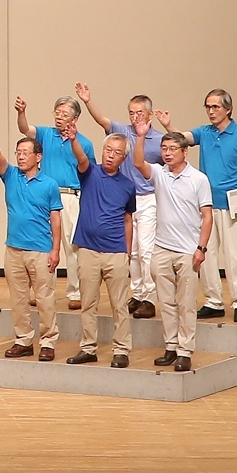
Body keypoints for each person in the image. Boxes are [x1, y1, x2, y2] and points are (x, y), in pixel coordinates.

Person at [158, 89, 237, 324]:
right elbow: (183, 139)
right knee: (206, 254)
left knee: (235, 255)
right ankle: (213, 301)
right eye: (208, 107)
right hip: (207, 204)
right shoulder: (205, 132)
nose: (211, 111)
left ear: (228, 109)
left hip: (232, 202)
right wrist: (169, 125)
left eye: (216, 107)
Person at [77, 84, 163, 319]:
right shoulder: (122, 133)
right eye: (132, 113)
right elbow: (102, 120)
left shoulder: (158, 139)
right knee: (131, 251)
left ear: (149, 114)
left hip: (147, 198)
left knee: (146, 250)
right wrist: (87, 100)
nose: (135, 117)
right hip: (123, 198)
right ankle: (136, 293)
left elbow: (175, 155)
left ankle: (149, 297)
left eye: (140, 113)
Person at [138, 131, 214, 371]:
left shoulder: (198, 179)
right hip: (161, 248)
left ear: (184, 151)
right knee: (167, 302)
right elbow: (138, 163)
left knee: (186, 303)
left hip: (187, 251)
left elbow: (207, 216)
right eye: (164, 149)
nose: (167, 153)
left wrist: (201, 248)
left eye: (172, 149)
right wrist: (140, 136)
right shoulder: (159, 174)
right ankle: (171, 346)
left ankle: (185, 350)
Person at [65, 133, 140, 368]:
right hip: (88, 249)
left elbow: (128, 219)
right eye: (108, 150)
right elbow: (81, 158)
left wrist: (127, 251)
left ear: (123, 158)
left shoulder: (128, 186)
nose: (111, 155)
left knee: (119, 305)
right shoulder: (90, 173)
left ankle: (121, 349)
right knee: (88, 302)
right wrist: (73, 138)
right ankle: (88, 347)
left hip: (116, 252)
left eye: (117, 152)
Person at [15, 95, 95, 311]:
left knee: (71, 246)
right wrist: (21, 112)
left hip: (69, 196)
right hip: (43, 195)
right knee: (40, 245)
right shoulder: (45, 134)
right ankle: (39, 291)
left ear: (75, 118)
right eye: (57, 113)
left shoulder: (84, 143)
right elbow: (25, 129)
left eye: (65, 114)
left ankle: (75, 292)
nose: (59, 118)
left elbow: (89, 173)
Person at [0, 136, 65, 362]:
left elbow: (55, 219)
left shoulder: (50, 184)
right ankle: (23, 340)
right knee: (18, 299)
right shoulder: (12, 176)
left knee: (44, 298)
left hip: (41, 250)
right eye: (18, 152)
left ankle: (48, 341)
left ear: (38, 156)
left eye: (26, 152)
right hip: (13, 249)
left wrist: (55, 250)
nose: (21, 157)